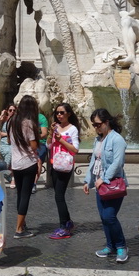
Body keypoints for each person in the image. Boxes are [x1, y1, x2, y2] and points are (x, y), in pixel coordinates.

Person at [83, 108, 129, 263]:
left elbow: (118, 163)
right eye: (93, 125)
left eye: (97, 124)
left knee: (110, 216)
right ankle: (110, 246)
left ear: (106, 122)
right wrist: (87, 181)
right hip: (99, 184)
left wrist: (104, 178)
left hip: (113, 183)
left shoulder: (117, 140)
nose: (95, 128)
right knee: (103, 217)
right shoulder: (98, 139)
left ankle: (121, 246)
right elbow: (93, 161)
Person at [8, 94, 41, 239]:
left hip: (16, 163)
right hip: (28, 162)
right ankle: (19, 229)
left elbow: (9, 141)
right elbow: (33, 145)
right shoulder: (28, 123)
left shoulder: (12, 121)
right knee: (25, 195)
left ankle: (23, 223)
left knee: (20, 195)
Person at [48, 102, 79, 240]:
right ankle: (68, 222)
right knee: (58, 194)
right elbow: (48, 145)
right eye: (57, 113)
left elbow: (75, 149)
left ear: (69, 114)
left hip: (65, 166)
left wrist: (61, 140)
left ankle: (64, 227)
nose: (59, 115)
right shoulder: (56, 127)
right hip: (54, 164)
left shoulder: (73, 130)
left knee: (59, 196)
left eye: (62, 112)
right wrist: (51, 134)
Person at [0, 104, 16, 189]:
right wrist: (2, 115)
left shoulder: (17, 121)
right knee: (10, 153)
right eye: (10, 110)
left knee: (12, 155)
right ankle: (6, 173)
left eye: (14, 110)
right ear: (7, 111)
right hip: (3, 144)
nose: (12, 112)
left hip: (13, 143)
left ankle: (10, 177)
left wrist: (4, 134)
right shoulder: (4, 119)